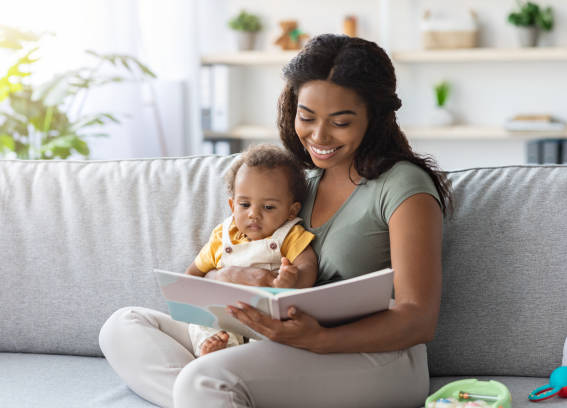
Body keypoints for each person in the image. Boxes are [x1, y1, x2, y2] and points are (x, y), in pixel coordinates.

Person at [99, 33, 452, 408]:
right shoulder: (297, 184)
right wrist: (222, 280)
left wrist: (319, 339)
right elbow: (234, 254)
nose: (319, 136)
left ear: (375, 118)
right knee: (124, 325)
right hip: (276, 341)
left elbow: (418, 318)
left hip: (377, 357)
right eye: (307, 117)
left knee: (203, 379)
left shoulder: (404, 186)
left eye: (340, 122)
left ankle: (210, 394)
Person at [184, 144, 317, 356]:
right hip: (226, 318)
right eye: (245, 205)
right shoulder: (222, 236)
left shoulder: (289, 235)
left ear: (291, 211)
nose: (254, 214)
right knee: (200, 322)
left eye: (268, 207)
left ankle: (237, 362)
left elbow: (308, 265)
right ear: (232, 205)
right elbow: (191, 276)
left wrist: (294, 280)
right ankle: (211, 348)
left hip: (266, 323)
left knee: (273, 342)